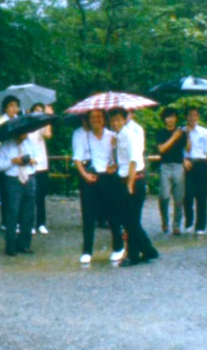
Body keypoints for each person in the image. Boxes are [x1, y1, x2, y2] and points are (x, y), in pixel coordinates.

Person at [108, 107, 158, 266]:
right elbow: (122, 160)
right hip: (123, 178)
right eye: (113, 120)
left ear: (124, 119)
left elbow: (133, 161)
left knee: (131, 220)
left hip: (135, 179)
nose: (115, 123)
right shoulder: (118, 136)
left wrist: (130, 184)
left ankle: (133, 255)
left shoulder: (131, 136)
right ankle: (149, 250)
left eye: (118, 119)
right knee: (129, 220)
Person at [73, 108, 121, 265]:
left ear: (104, 119)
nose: (96, 120)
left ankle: (118, 247)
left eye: (99, 117)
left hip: (108, 178)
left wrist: (114, 165)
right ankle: (87, 251)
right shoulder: (82, 136)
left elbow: (119, 158)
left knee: (113, 214)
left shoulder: (112, 136)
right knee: (88, 215)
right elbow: (77, 159)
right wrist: (84, 175)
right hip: (90, 177)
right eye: (92, 117)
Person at [0, 125, 43, 255]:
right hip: (13, 180)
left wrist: (32, 160)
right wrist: (13, 161)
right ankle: (10, 246)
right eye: (22, 134)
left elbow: (40, 157)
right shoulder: (6, 145)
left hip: (30, 177)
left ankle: (24, 244)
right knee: (12, 213)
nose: (24, 136)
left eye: (26, 133)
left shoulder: (29, 143)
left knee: (29, 213)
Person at [181, 107, 207, 235]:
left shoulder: (204, 132)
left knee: (202, 196)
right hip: (188, 163)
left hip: (201, 163)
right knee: (188, 195)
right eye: (190, 115)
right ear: (186, 117)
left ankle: (201, 225)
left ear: (198, 117)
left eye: (195, 115)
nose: (192, 118)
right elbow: (181, 149)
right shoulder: (181, 132)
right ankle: (189, 221)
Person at [154, 107, 187, 235]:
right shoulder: (161, 133)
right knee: (164, 196)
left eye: (173, 117)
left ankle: (176, 224)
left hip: (178, 165)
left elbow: (187, 148)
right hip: (165, 166)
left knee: (179, 197)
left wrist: (187, 134)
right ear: (164, 119)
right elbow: (161, 149)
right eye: (168, 117)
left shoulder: (181, 133)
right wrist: (174, 137)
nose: (170, 120)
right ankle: (165, 221)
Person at [30, 103, 53, 235]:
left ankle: (41, 223)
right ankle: (29, 223)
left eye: (40, 111)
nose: (38, 113)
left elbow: (48, 135)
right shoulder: (26, 125)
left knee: (41, 196)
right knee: (29, 197)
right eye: (36, 111)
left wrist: (48, 118)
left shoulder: (43, 124)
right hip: (29, 165)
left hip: (42, 165)